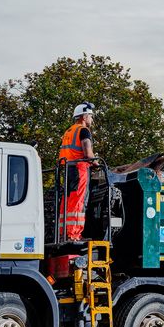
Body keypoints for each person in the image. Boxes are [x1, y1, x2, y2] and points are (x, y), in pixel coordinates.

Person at [58, 102, 97, 241]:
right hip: (79, 169)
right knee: (78, 201)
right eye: (91, 117)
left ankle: (64, 233)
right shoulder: (83, 130)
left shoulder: (68, 131)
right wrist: (96, 162)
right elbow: (88, 153)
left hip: (67, 169)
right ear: (84, 116)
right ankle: (74, 235)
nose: (91, 120)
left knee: (67, 201)